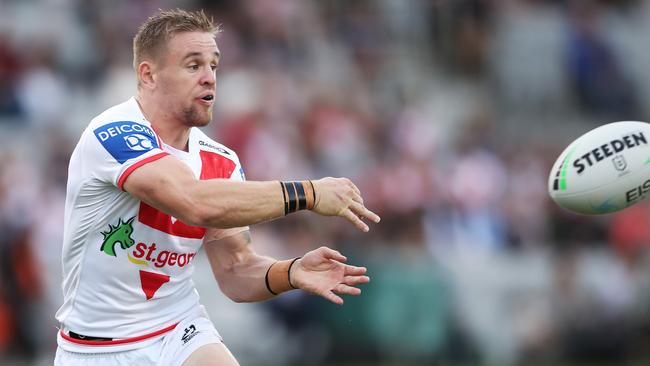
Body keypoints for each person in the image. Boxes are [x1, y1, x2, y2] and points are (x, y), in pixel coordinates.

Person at [54, 8, 380, 366]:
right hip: (95, 348)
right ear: (148, 75)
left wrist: (291, 272)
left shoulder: (221, 160)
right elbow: (194, 202)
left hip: (177, 329)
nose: (209, 77)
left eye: (214, 65)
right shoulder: (113, 133)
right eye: (193, 66)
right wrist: (309, 193)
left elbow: (236, 271)